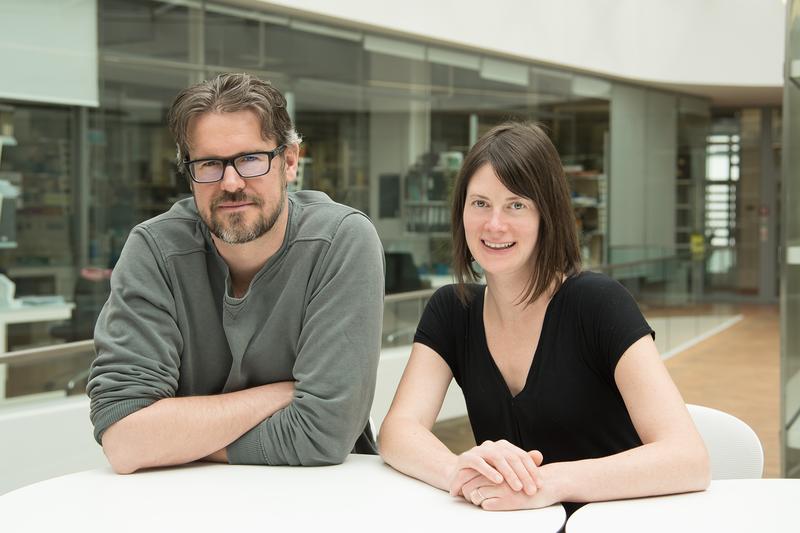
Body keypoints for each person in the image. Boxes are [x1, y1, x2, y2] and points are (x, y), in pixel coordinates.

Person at [378, 122, 710, 513]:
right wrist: (458, 471)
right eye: (480, 203)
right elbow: (397, 431)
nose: (494, 224)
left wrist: (548, 483)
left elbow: (688, 458)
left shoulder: (599, 304)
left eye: (516, 205)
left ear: (546, 215)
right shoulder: (454, 309)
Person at [87, 73, 385, 474]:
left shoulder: (341, 241)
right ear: (188, 171)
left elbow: (323, 434)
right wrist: (280, 394)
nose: (231, 183)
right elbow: (124, 439)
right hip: (184, 502)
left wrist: (174, 442)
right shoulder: (155, 250)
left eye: (250, 159)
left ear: (290, 161)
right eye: (210, 164)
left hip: (319, 494)